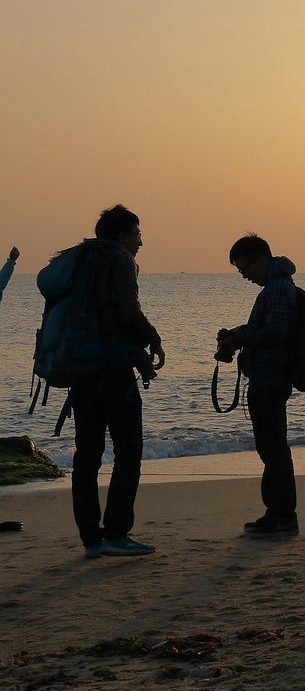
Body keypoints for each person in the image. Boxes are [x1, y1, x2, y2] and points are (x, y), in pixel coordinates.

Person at [72, 205, 165, 558]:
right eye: (137, 234)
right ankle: (116, 533)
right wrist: (153, 338)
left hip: (81, 372)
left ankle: (91, 540)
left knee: (87, 456)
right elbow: (128, 309)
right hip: (113, 371)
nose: (141, 241)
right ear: (121, 236)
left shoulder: (82, 260)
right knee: (128, 453)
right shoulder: (120, 259)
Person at [218, 235, 300, 537]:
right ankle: (276, 514)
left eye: (245, 269)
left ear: (260, 259)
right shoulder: (276, 287)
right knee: (272, 449)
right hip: (269, 378)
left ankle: (283, 516)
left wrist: (239, 339)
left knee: (274, 450)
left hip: (270, 379)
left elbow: (276, 332)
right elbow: (266, 329)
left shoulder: (277, 289)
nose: (245, 276)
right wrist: (237, 333)